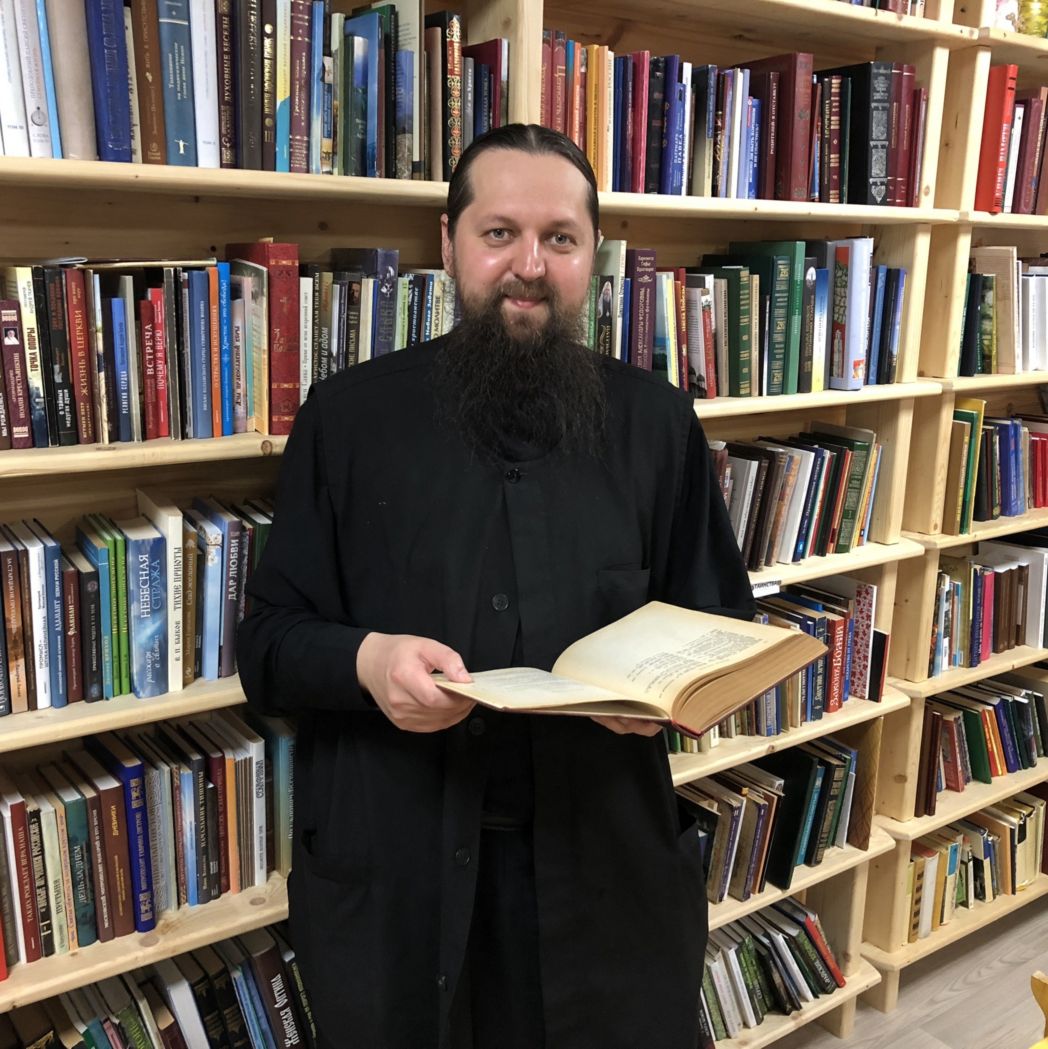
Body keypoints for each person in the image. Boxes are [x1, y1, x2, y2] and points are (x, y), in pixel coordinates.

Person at [237, 123, 754, 1049]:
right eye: (500, 233)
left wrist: (668, 694)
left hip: (606, 885)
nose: (530, 265)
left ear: (594, 255)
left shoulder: (658, 423)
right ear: (448, 244)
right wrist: (369, 662)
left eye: (561, 238)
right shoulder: (347, 419)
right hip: (399, 887)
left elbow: (720, 620)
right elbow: (269, 644)